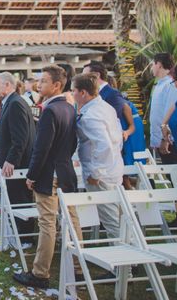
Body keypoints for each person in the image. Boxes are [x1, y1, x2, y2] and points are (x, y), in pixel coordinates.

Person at [14, 65, 81, 289]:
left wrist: (32, 175)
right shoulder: (70, 108)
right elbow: (72, 143)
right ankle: (78, 266)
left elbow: (41, 148)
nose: (38, 84)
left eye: (43, 81)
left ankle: (40, 273)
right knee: (71, 220)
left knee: (47, 223)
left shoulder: (50, 110)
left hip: (48, 174)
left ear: (56, 85)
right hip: (65, 170)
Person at [72, 73, 123, 239]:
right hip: (114, 167)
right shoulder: (106, 107)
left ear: (83, 93)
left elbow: (104, 145)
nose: (72, 94)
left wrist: (95, 173)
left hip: (102, 175)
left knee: (111, 220)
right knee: (117, 215)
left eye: (74, 90)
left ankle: (126, 263)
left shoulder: (90, 116)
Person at [0, 72, 35, 236]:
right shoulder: (10, 102)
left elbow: (21, 137)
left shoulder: (16, 104)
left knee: (20, 200)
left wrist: (11, 160)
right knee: (14, 199)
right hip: (13, 163)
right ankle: (17, 233)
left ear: (8, 85)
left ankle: (24, 237)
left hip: (18, 165)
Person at [150, 53, 177, 164]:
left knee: (176, 177)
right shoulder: (160, 84)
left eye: (152, 64)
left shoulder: (170, 84)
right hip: (161, 140)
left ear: (159, 64)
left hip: (169, 142)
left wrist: (165, 139)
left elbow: (171, 113)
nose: (151, 67)